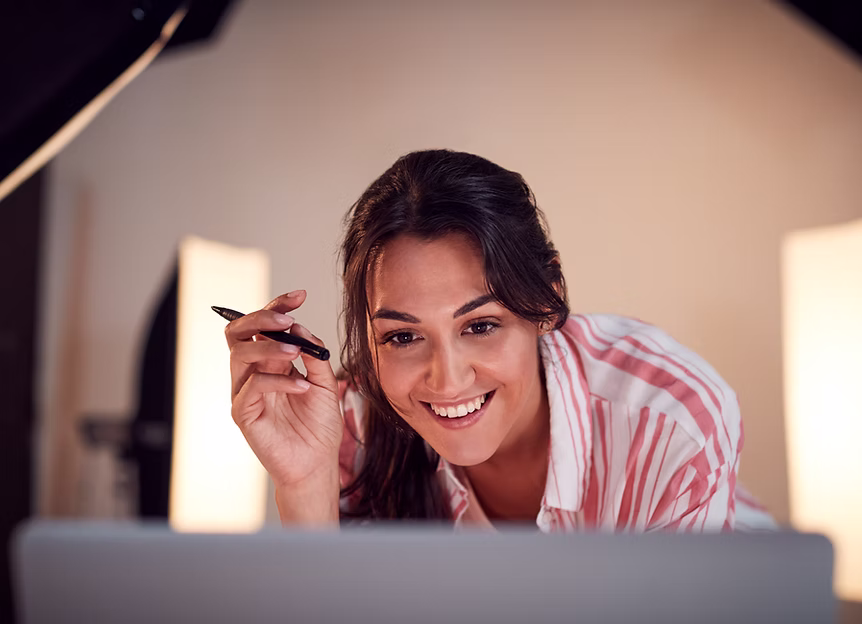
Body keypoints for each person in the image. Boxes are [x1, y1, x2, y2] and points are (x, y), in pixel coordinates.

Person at [224, 149, 775, 531]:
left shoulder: (670, 423)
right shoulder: (349, 429)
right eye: (402, 337)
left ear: (545, 300)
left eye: (480, 326)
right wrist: (303, 486)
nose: (447, 378)